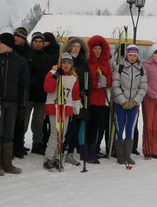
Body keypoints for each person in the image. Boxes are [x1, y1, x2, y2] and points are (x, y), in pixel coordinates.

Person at [0, 33, 26, 175]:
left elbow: (24, 85)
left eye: (0, 43)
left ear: (8, 45)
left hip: (13, 102)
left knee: (9, 133)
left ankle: (8, 164)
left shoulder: (20, 61)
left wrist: (22, 105)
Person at [42, 52, 80, 171]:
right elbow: (48, 88)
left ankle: (57, 157)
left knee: (62, 134)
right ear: (60, 63)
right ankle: (48, 158)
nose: (66, 65)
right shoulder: (52, 73)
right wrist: (55, 77)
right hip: (54, 107)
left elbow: (75, 95)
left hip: (66, 107)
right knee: (55, 133)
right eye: (64, 62)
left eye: (69, 63)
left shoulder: (74, 77)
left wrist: (76, 108)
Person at [112, 44, 147, 165]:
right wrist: (123, 101)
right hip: (121, 104)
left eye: (134, 55)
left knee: (130, 128)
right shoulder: (120, 67)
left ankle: (127, 154)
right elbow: (115, 86)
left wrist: (134, 101)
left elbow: (143, 87)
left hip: (134, 105)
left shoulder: (141, 69)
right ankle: (120, 155)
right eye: (130, 55)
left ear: (137, 56)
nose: (132, 58)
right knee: (119, 128)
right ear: (127, 55)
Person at [82, 35, 112, 164]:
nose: (97, 51)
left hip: (101, 100)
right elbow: (84, 80)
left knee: (96, 126)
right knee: (88, 126)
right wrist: (96, 84)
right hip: (89, 99)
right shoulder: (87, 62)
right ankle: (85, 152)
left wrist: (105, 82)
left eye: (99, 48)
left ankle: (92, 151)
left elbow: (110, 79)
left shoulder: (105, 63)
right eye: (95, 48)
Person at [61, 37, 89, 166]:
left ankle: (70, 153)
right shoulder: (65, 60)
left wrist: (86, 90)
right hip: (66, 98)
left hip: (80, 97)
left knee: (76, 126)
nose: (76, 48)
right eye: (74, 46)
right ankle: (61, 151)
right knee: (68, 127)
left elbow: (87, 79)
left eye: (78, 46)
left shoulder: (84, 61)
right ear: (70, 47)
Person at [23, 32, 51, 155]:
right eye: (36, 41)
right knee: (24, 120)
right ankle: (20, 141)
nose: (38, 44)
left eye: (40, 41)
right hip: (28, 94)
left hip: (42, 95)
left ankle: (37, 143)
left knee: (38, 122)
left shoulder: (47, 58)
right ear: (32, 42)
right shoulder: (27, 55)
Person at [12, 26, 31, 158]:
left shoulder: (29, 52)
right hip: (12, 87)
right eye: (15, 36)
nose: (16, 39)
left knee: (21, 118)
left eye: (19, 37)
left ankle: (19, 144)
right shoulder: (11, 49)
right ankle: (12, 146)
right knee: (12, 120)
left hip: (24, 87)